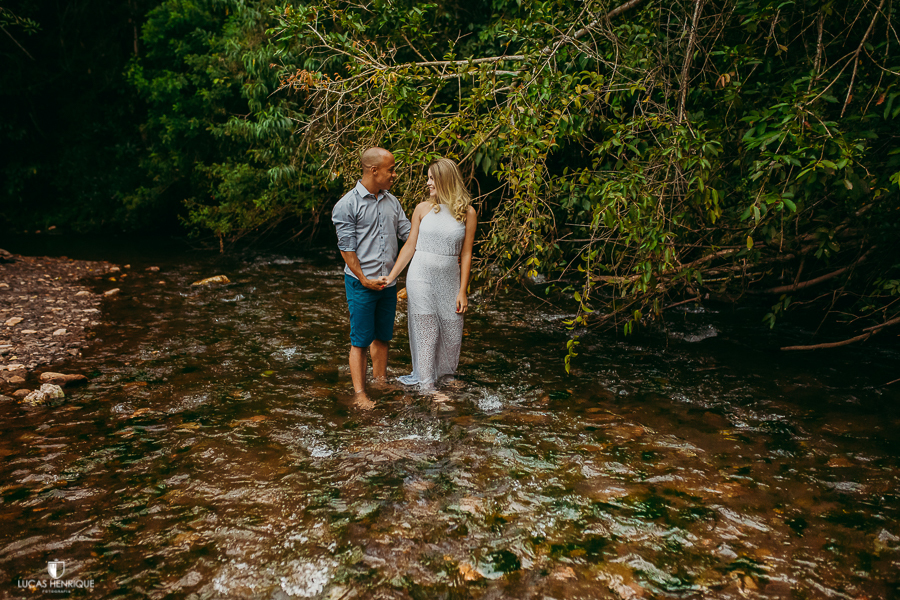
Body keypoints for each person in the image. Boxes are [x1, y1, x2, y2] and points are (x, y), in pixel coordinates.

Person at [384, 157, 477, 391]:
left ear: (445, 180)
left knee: (452, 331)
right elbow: (410, 246)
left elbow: (466, 254)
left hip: (450, 279)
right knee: (426, 330)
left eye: (431, 178)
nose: (428, 183)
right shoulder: (422, 209)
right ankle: (427, 386)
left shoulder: (467, 212)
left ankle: (445, 376)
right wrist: (392, 276)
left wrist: (463, 290)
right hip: (420, 275)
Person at [332, 147, 411, 403]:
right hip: (360, 284)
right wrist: (364, 279)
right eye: (391, 169)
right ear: (374, 170)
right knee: (360, 340)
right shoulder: (346, 205)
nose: (394, 174)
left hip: (388, 282)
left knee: (383, 336)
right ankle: (360, 394)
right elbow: (347, 250)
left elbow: (409, 235)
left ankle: (380, 383)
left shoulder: (392, 201)